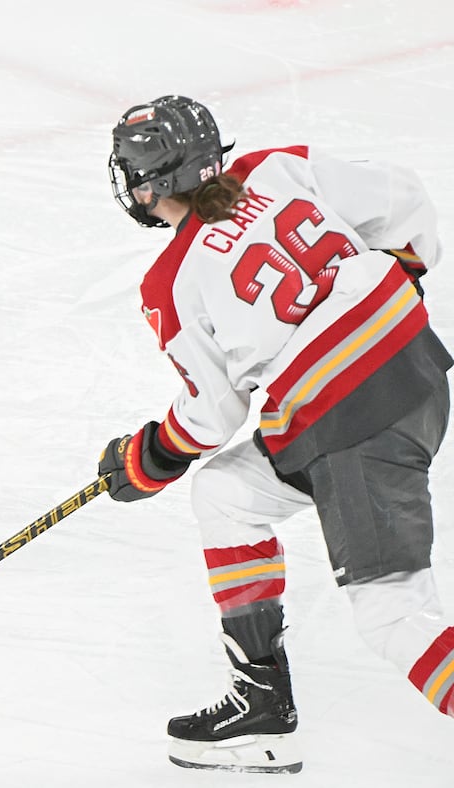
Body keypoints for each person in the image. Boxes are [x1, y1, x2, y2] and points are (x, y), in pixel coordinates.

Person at [99, 94, 453, 773]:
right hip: (417, 372)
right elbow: (405, 199)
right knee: (228, 495)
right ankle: (261, 703)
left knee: (393, 614)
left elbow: (211, 415)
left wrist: (149, 457)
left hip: (350, 423)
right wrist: (396, 283)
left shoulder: (171, 281)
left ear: (148, 185)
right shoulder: (273, 168)